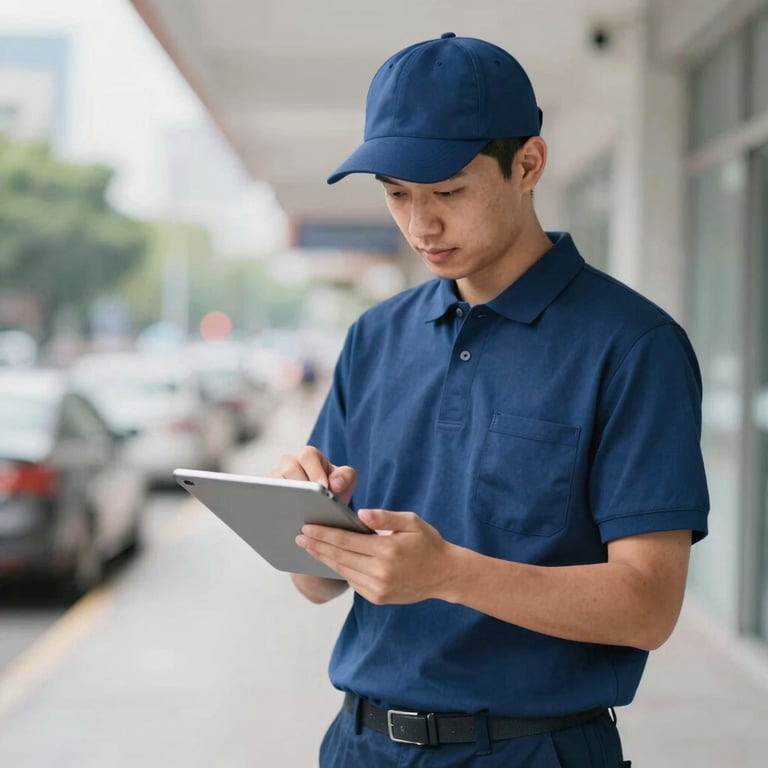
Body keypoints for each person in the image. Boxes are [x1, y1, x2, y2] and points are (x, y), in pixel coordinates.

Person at [272, 32, 709, 767]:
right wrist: (302, 522)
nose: (421, 224)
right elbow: (316, 586)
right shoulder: (375, 337)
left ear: (528, 165)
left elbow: (648, 607)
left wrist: (448, 573)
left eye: (447, 191)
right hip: (358, 744)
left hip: (531, 749)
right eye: (397, 195)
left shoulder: (632, 346)